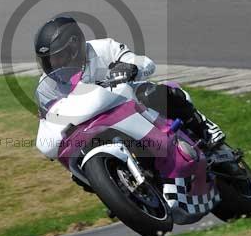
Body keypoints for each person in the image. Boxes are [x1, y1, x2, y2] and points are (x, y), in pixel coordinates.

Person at [33, 15, 224, 160]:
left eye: (57, 56)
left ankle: (204, 128)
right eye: (48, 60)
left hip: (126, 100)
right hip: (92, 122)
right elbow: (50, 113)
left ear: (74, 46)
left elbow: (145, 63)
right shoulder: (49, 83)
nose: (53, 64)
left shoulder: (103, 48)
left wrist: (130, 67)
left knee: (152, 93)